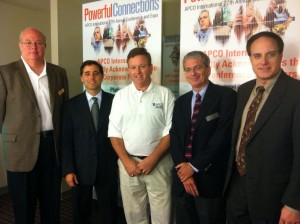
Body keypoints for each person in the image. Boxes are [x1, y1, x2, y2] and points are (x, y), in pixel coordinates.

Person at [224, 31, 300, 223]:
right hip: (237, 188)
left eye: (271, 54)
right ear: (250, 58)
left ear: (281, 56)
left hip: (275, 197)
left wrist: (294, 203)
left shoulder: (296, 93)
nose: (263, 61)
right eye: (257, 55)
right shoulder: (244, 90)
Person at [0, 27, 69, 223]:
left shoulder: (58, 73)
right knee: (23, 210)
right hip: (20, 150)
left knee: (52, 205)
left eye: (38, 42)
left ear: (45, 46)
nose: (33, 47)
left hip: (51, 148)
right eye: (28, 43)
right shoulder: (5, 72)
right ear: (20, 46)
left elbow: (63, 112)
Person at [108, 47, 175, 224]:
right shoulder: (120, 96)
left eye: (142, 66)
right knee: (134, 217)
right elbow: (114, 133)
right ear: (128, 70)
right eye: (133, 67)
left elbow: (170, 132)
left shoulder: (165, 94)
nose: (137, 72)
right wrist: (127, 161)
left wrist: (152, 159)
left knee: (163, 217)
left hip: (158, 164)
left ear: (151, 67)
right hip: (128, 165)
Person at [170, 51, 236, 223]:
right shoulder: (181, 102)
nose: (193, 73)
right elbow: (174, 136)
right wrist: (183, 172)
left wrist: (193, 166)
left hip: (209, 181)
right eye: (188, 69)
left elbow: (222, 137)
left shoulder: (226, 96)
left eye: (197, 68)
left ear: (208, 69)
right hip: (182, 181)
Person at [61, 60, 118, 224]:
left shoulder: (115, 101)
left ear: (102, 76)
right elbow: (66, 141)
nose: (91, 77)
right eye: (87, 74)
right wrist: (68, 170)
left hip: (108, 167)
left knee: (110, 212)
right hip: (79, 169)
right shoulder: (70, 106)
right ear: (81, 78)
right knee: (81, 213)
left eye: (96, 73)